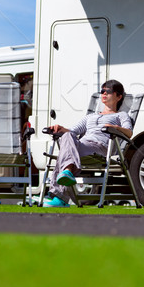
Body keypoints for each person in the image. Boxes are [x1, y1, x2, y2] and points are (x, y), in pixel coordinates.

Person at [43, 79, 133, 208]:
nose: (104, 94)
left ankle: (60, 197)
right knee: (67, 136)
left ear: (118, 96)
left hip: (100, 147)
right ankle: (67, 173)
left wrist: (114, 128)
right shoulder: (90, 116)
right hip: (83, 145)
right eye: (102, 91)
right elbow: (72, 132)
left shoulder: (121, 115)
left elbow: (129, 133)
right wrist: (59, 128)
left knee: (64, 154)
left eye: (108, 91)